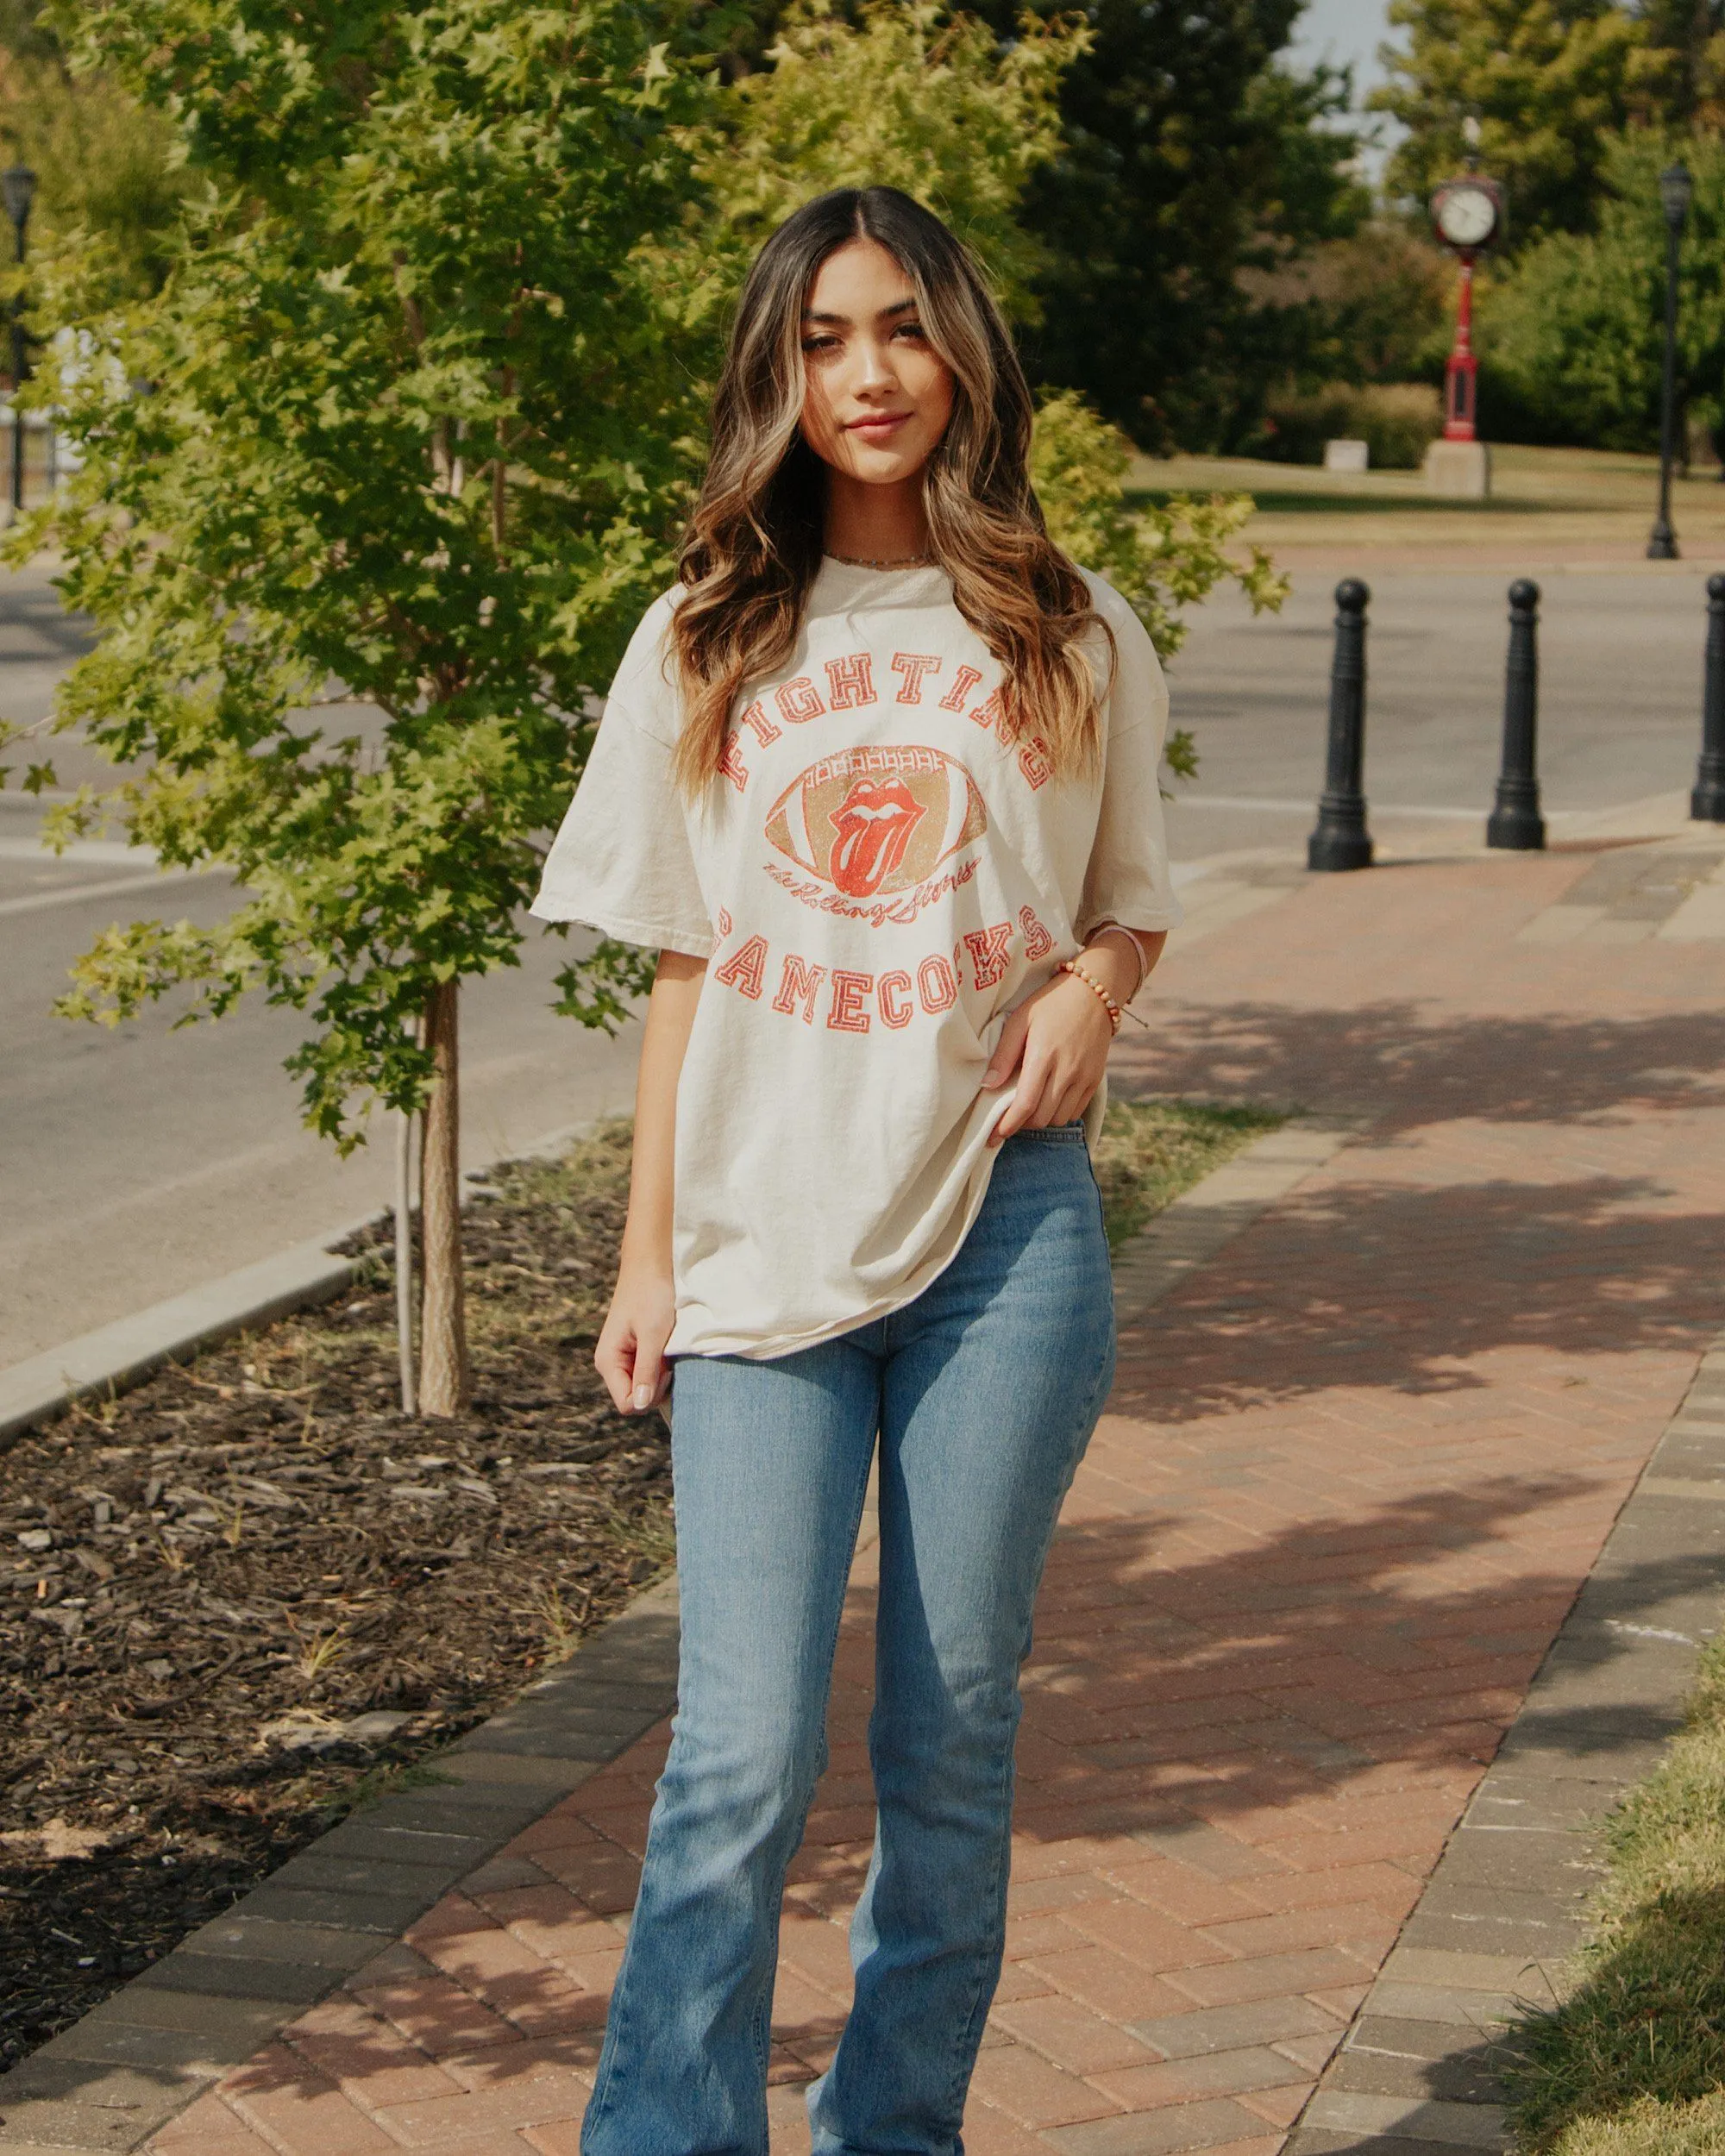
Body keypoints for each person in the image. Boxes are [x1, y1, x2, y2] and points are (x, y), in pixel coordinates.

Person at [530, 183, 1181, 2156]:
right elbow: (674, 963)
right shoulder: (705, 630)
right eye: (821, 340)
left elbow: (1127, 900)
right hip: (755, 1247)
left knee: (949, 1740)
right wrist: (645, 1256)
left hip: (1003, 1241)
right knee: (735, 1748)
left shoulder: (1062, 623)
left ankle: (892, 2131)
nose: (867, 372)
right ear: (775, 375)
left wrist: (1094, 991)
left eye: (899, 326)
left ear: (960, 347)